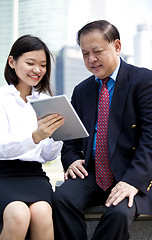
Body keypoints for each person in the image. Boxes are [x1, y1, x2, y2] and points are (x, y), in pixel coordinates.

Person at [53, 20, 152, 240]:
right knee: (62, 199)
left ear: (117, 46)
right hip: (95, 173)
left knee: (118, 213)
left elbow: (150, 138)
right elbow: (70, 139)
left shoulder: (144, 81)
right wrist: (71, 160)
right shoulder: (82, 90)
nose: (91, 59)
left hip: (135, 173)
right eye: (85, 53)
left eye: (97, 51)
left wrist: (132, 181)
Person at [0, 34, 65, 240]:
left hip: (33, 174)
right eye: (30, 63)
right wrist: (35, 136)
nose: (37, 70)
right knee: (18, 214)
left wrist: (57, 134)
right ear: (12, 62)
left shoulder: (46, 101)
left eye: (42, 65)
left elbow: (48, 156)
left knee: (42, 213)